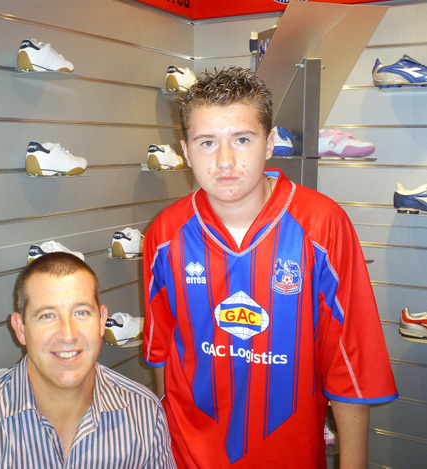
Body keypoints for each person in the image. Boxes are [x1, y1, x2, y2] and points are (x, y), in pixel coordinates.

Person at [142, 66, 398, 468]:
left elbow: (350, 364)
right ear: (185, 150)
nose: (225, 161)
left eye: (242, 139)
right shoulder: (164, 233)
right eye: (207, 143)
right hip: (188, 455)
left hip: (291, 455)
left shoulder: (322, 225)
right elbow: (162, 355)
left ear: (270, 143)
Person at [0, 252, 175, 468]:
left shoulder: (145, 415)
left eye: (81, 312)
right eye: (47, 315)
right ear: (21, 328)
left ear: (102, 320)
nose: (68, 334)